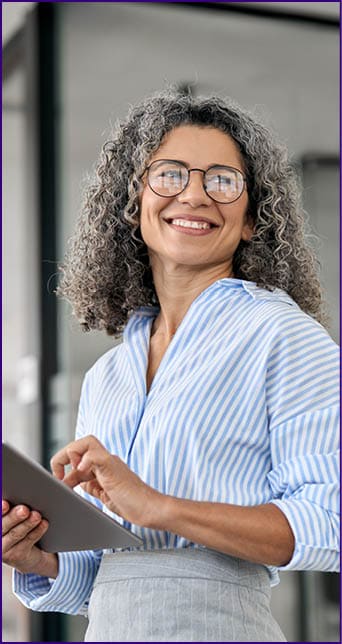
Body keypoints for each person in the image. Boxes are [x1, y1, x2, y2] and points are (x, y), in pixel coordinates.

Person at [2, 90, 339, 642]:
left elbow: (331, 525)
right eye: (171, 174)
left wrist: (159, 507)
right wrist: (38, 557)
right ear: (134, 205)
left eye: (222, 180)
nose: (196, 194)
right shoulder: (110, 374)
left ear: (253, 219)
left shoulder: (284, 336)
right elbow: (106, 575)